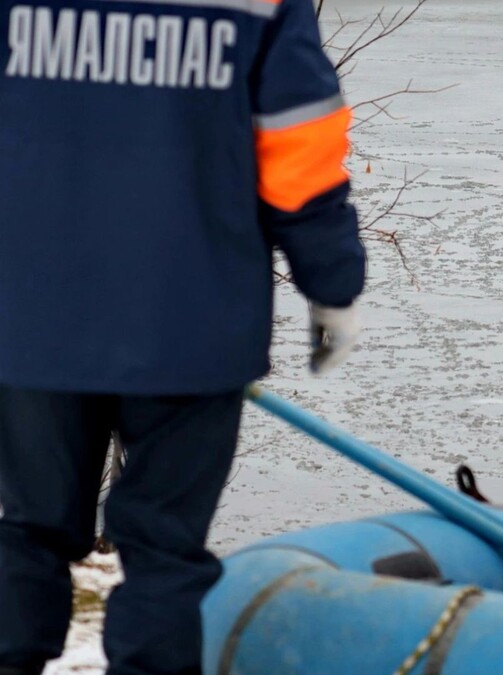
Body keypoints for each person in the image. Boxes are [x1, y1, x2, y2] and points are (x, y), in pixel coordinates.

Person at [0, 0, 366, 670]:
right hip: (191, 318)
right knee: (164, 550)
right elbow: (299, 145)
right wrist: (332, 280)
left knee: (27, 533)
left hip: (33, 315)